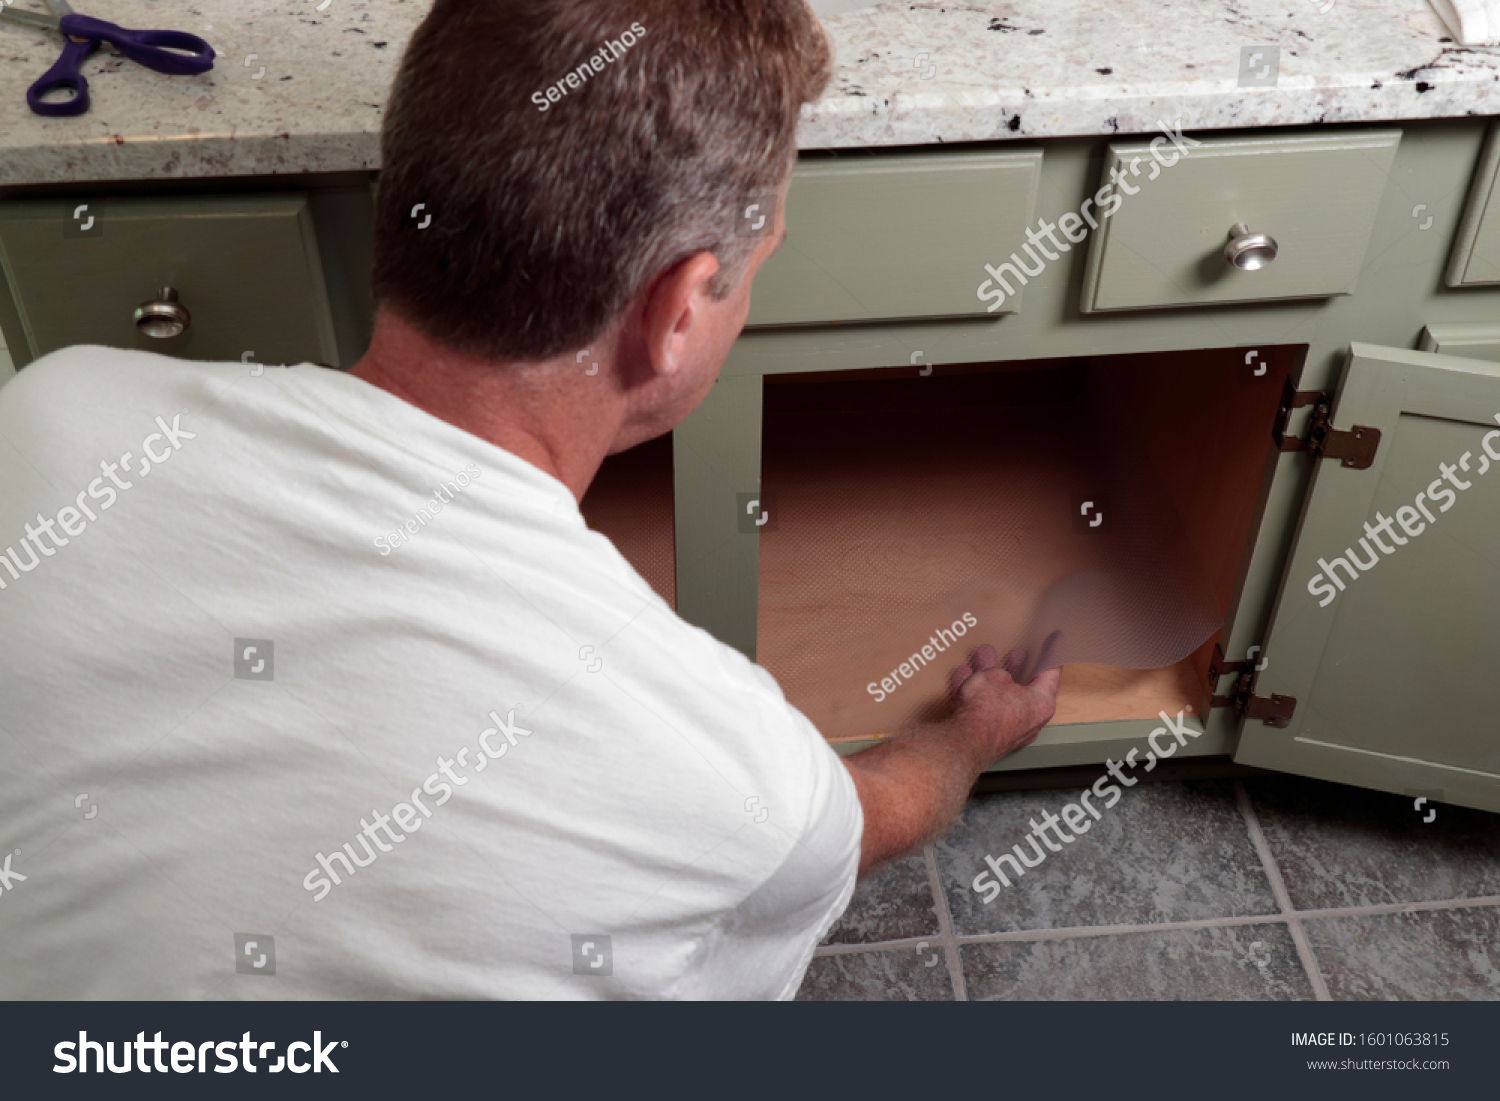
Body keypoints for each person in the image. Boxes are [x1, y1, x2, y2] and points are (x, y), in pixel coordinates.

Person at [0, 0, 1057, 1000]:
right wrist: (975, 734)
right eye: (757, 263)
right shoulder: (735, 775)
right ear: (680, 308)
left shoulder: (51, 414)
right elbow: (872, 815)